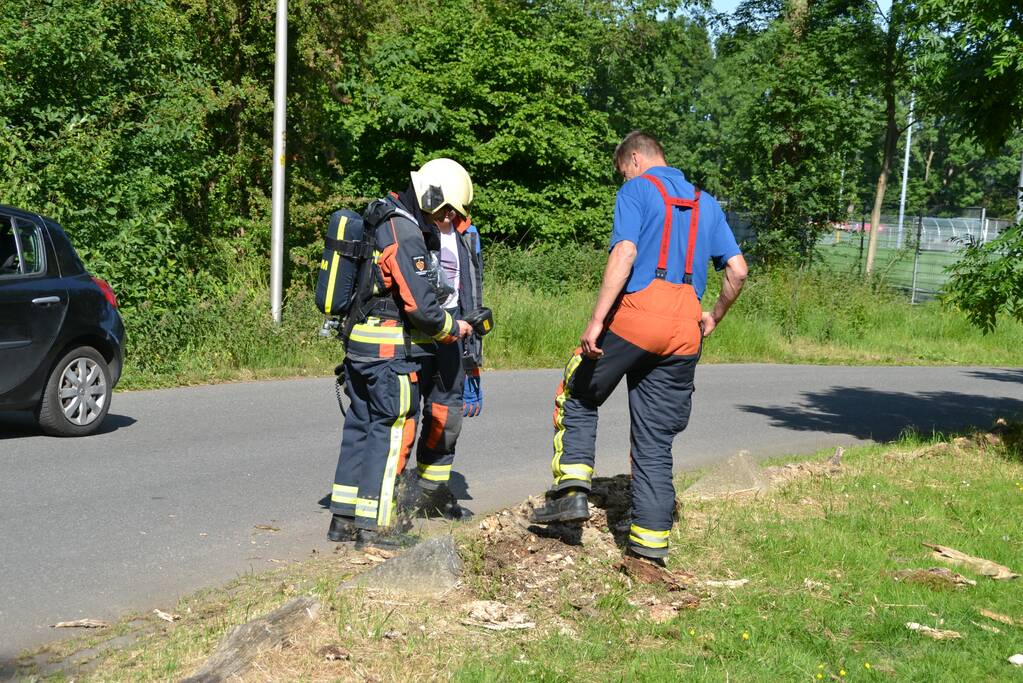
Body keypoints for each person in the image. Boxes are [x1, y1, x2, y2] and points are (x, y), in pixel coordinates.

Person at [529, 131, 748, 566]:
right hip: (686, 327)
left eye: (622, 171)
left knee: (579, 392)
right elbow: (738, 271)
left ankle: (571, 496)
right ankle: (649, 548)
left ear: (635, 158)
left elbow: (625, 251)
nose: (622, 178)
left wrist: (596, 321)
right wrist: (714, 316)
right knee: (654, 438)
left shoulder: (637, 189)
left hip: (637, 315)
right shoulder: (708, 202)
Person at [327, 158, 475, 550]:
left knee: (359, 425)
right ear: (432, 196)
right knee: (390, 432)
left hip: (362, 344)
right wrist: (452, 329)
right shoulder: (405, 231)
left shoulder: (385, 216)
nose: (447, 219)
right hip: (391, 352)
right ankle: (376, 529)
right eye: (446, 210)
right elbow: (421, 307)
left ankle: (344, 518)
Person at [409, 198, 485, 520]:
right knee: (403, 415)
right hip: (415, 330)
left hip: (457, 329)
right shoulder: (412, 228)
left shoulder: (468, 235)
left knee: (446, 414)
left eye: (456, 209)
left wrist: (474, 364)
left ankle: (432, 497)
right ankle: (388, 496)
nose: (450, 214)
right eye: (446, 207)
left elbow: (474, 293)